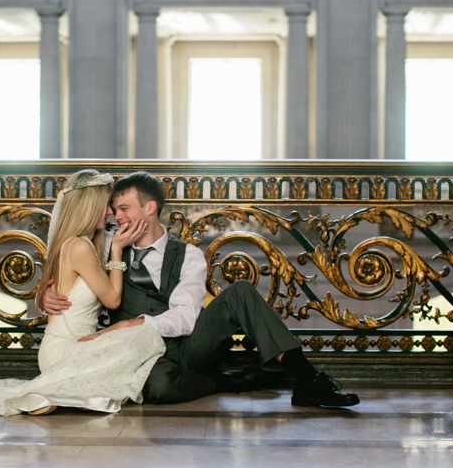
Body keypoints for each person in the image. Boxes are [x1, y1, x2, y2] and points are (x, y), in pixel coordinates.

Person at [42, 171, 360, 408]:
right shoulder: (106, 250)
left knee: (240, 292)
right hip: (138, 354)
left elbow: (185, 317)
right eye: (113, 209)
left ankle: (307, 380)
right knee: (160, 389)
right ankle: (229, 381)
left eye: (124, 208)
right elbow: (74, 282)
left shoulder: (188, 255)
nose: (115, 216)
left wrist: (138, 322)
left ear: (149, 208)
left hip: (186, 345)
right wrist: (47, 297)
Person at [0, 169, 166, 416]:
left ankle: (59, 392)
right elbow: (112, 299)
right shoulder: (82, 247)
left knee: (141, 337)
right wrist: (117, 250)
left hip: (68, 345)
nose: (110, 213)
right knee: (144, 338)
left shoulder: (77, 243)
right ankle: (53, 391)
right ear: (90, 205)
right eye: (106, 205)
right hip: (65, 349)